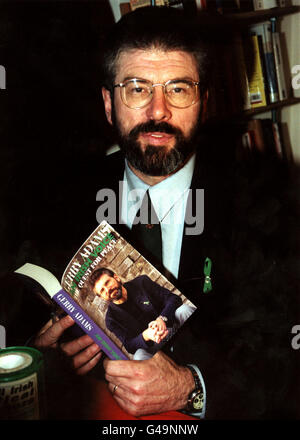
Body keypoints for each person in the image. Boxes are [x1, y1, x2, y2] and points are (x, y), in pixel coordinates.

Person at [33, 6, 299, 419]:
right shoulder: (61, 198)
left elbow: (288, 357)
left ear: (204, 102)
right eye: (138, 89)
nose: (158, 112)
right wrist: (44, 356)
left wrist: (192, 388)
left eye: (178, 89)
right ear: (108, 103)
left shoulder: (273, 202)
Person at [90, 267, 196, 359]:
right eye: (102, 291)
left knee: (184, 310)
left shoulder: (141, 283)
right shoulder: (111, 319)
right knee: (139, 356)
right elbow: (129, 345)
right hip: (155, 346)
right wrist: (147, 335)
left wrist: (161, 319)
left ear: (116, 277)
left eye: (107, 283)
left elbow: (173, 299)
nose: (107, 290)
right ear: (102, 297)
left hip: (171, 325)